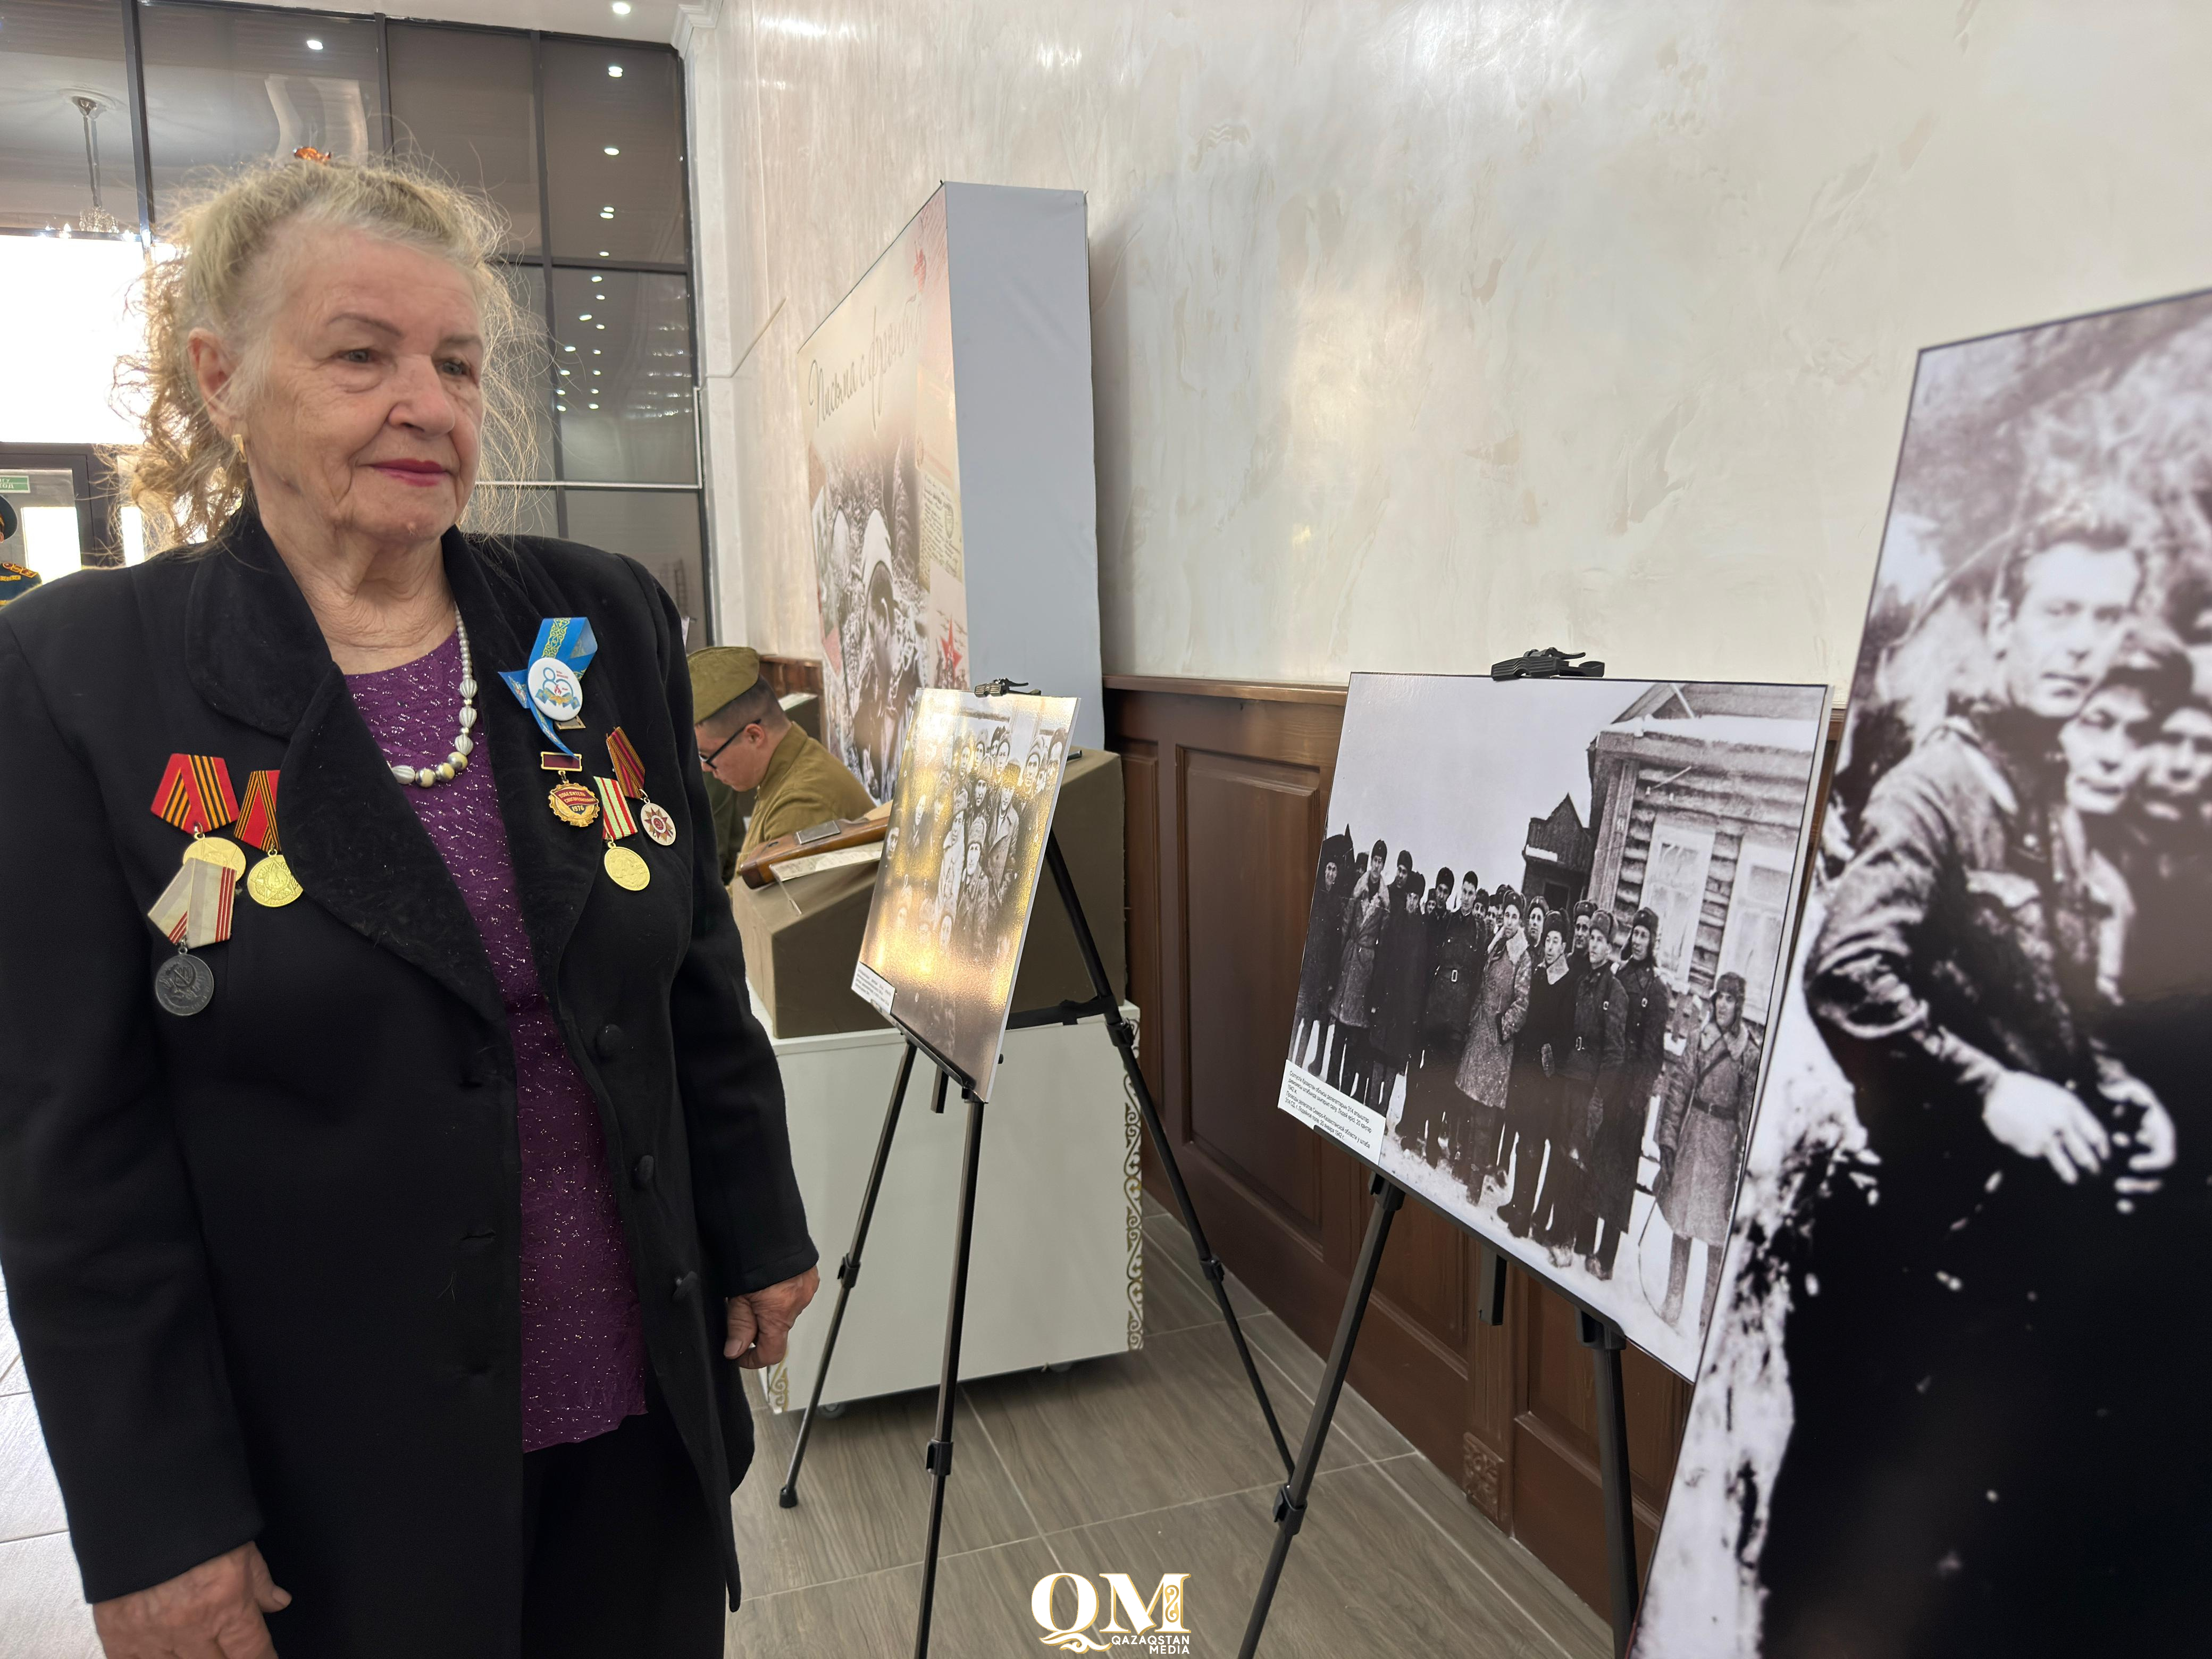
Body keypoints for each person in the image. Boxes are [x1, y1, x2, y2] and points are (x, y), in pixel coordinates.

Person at [0, 157, 819, 1658]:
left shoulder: (593, 620)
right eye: (361, 356)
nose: (426, 405)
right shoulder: (83, 678)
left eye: (456, 363)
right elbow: (73, 1154)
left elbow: (689, 960)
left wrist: (758, 1218)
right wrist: (159, 1517)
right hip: (335, 1485)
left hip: (639, 1420)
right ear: (223, 379)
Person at [1770, 511, 2180, 1654]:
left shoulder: (2045, 795)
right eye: (2061, 611)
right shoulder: (1938, 786)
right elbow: (1846, 972)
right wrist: (1993, 1090)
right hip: (1908, 1248)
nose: (2082, 642)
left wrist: (2113, 1090)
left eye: (2106, 617)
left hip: (2000, 1263)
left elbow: (2040, 1002)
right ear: (2005, 620)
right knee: (1846, 1553)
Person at [693, 645, 874, 866]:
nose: (705, 767)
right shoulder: (784, 773)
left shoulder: (801, 803)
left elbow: (763, 889)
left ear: (754, 736)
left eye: (707, 756)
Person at [1651, 972, 1759, 1328]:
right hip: (1693, 1138)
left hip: (1723, 1150)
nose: (1723, 1005)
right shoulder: (1699, 1038)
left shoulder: (1748, 1053)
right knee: (1682, 1224)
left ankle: (1706, 1319)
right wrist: (1668, 1140)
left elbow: (1748, 1113)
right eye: (1719, 998)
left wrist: (1741, 1164)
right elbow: (1679, 1089)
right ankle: (1673, 1300)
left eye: (1730, 999)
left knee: (1716, 1237)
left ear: (1739, 1005)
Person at [1579, 907, 1668, 1279]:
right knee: (1596, 1160)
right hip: (1610, 1083)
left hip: (1631, 1096)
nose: (1638, 941)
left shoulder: (1657, 990)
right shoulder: (1619, 974)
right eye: (1636, 934)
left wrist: (1638, 1097)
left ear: (1653, 941)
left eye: (1645, 936)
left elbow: (1654, 1054)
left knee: (1618, 1177)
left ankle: (1606, 1257)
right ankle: (1583, 1241)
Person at [1536, 911, 1627, 1265]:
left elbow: (1615, 1053)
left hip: (1589, 1088)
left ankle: (1565, 1240)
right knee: (1560, 1154)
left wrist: (1599, 1098)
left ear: (1610, 946)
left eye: (1601, 940)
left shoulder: (1614, 992)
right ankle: (1552, 1228)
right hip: (1569, 1079)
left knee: (1576, 1161)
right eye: (1593, 939)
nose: (1594, 945)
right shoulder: (1583, 980)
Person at [1404, 870, 1489, 1166]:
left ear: (1475, 897)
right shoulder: (1448, 921)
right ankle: (1413, 1131)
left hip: (1457, 1016)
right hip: (1438, 1007)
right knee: (1427, 1072)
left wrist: (1466, 1018)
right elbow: (1434, 961)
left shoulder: (1479, 932)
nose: (1466, 897)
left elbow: (1478, 978)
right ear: (1459, 894)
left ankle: (1431, 1144)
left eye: (1471, 893)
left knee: (1442, 1081)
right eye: (1463, 892)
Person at [1498, 915, 1575, 1238]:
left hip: (1546, 1082)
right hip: (1526, 1072)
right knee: (1520, 1139)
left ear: (1565, 946)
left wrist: (1548, 1055)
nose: (1550, 946)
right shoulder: (1540, 975)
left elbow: (1566, 1036)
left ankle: (1524, 1215)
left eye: (1556, 941)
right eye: (1548, 940)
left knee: (1533, 1143)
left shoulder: (1568, 984)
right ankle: (1517, 1202)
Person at [1453, 890, 1531, 1193]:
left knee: (1486, 1115)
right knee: (1470, 1105)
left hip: (1497, 1044)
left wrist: (1503, 1027)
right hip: (1479, 1033)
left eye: (1514, 917)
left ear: (1520, 921)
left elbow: (1522, 1004)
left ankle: (1475, 1182)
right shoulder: (1496, 945)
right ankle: (1463, 1166)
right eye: (1506, 915)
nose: (1509, 921)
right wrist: (1474, 1018)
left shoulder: (1523, 957)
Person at [1365, 872, 1431, 1117]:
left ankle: (1382, 1111)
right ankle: (1370, 1107)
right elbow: (1382, 961)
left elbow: (1420, 976)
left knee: (1393, 1059)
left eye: (1416, 898)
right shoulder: (1395, 923)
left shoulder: (1421, 931)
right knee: (1378, 1055)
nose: (1412, 902)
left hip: (1403, 1009)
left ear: (1420, 900)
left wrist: (1413, 1012)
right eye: (1409, 897)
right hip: (1386, 1001)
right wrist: (1376, 997)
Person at [1294, 833, 1354, 1073]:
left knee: (1309, 1022)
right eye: (1328, 868)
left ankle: (1297, 1065)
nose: (1330, 873)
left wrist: (1329, 979)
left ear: (1338, 874)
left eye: (1334, 870)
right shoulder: (1314, 897)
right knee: (1295, 1019)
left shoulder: (1337, 905)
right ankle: (1287, 1059)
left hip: (1320, 978)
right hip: (1305, 973)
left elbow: (1335, 947)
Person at [1328, 866, 1388, 1101]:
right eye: (1375, 860)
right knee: (1339, 1033)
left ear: (1383, 865)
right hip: (1349, 962)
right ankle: (1331, 1084)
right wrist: (1341, 958)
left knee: (1354, 1038)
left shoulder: (1384, 902)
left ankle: (1344, 1091)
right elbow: (1346, 924)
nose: (1377, 866)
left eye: (1381, 861)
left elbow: (1383, 939)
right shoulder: (1359, 890)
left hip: (1365, 970)